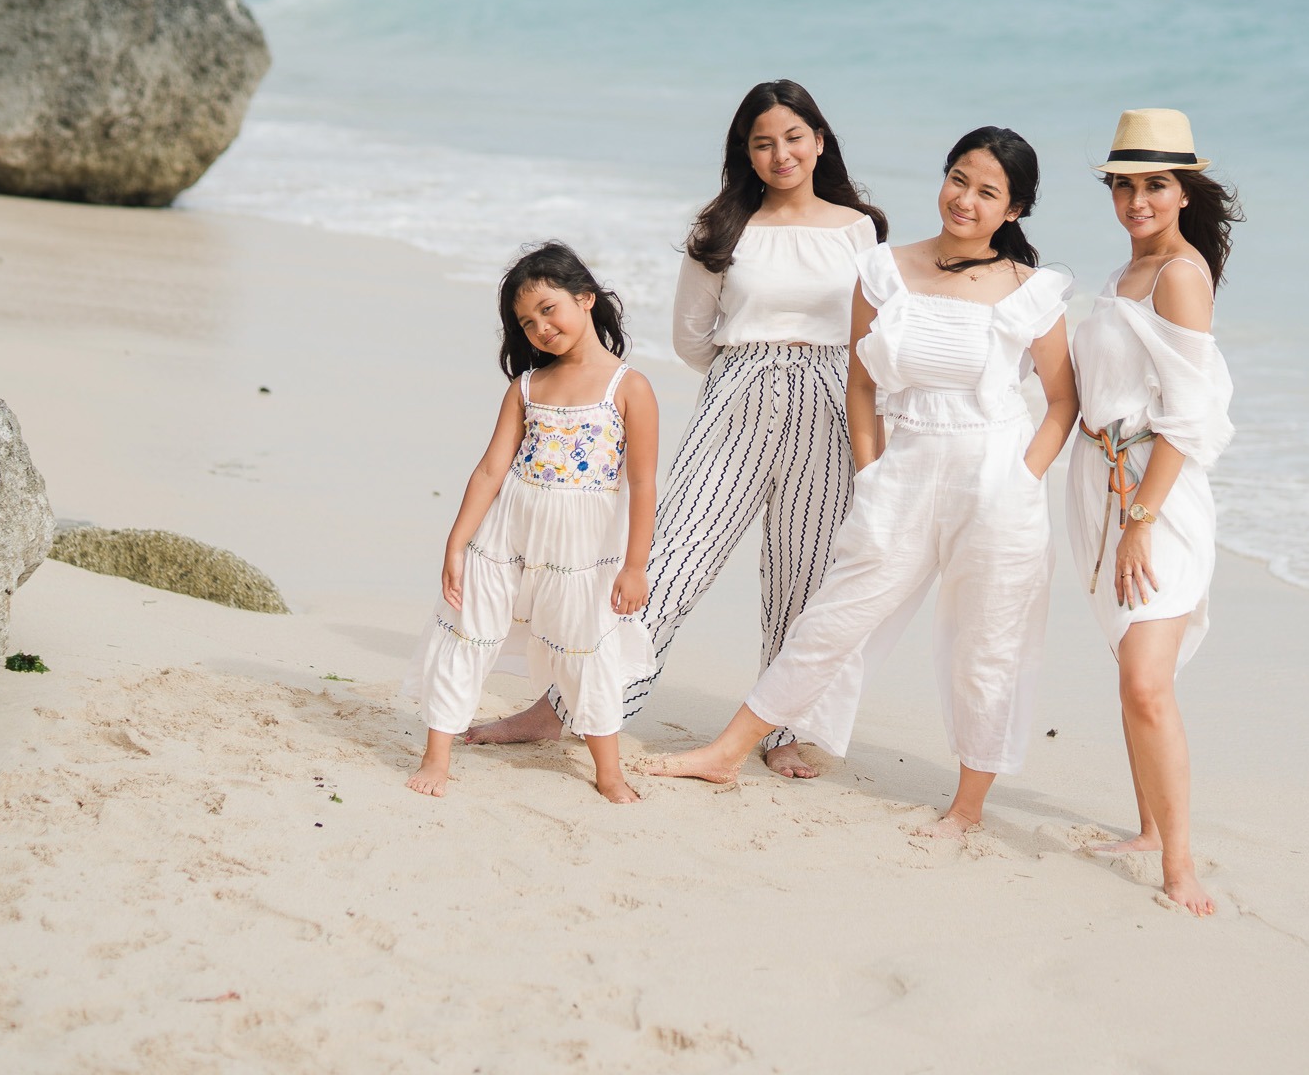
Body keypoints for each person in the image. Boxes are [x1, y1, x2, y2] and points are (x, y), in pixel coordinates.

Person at [645, 127, 1077, 838]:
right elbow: (861, 383)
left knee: (987, 644)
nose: (965, 199)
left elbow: (1062, 401)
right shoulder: (884, 269)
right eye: (958, 178)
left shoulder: (1033, 292)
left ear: (1015, 210)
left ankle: (967, 808)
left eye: (987, 192)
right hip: (904, 470)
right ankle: (727, 751)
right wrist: (872, 472)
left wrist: (1023, 480)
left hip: (997, 479)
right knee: (832, 617)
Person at [464, 80, 888, 780]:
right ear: (745, 153)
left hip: (830, 398)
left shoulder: (859, 229)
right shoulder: (722, 229)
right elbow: (693, 336)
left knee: (804, 573)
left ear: (819, 140)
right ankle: (565, 706)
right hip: (740, 392)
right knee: (669, 559)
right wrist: (750, 372)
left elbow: (870, 337)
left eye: (793, 137)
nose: (780, 153)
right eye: (762, 143)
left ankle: (782, 729)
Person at [404, 242, 659, 804]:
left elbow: (643, 484)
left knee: (584, 645)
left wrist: (635, 565)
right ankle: (436, 755)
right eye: (526, 322)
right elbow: (490, 469)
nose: (540, 328)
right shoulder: (526, 387)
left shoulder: (629, 388)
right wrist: (456, 543)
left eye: (548, 309)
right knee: (468, 629)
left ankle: (608, 771)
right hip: (503, 536)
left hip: (580, 548)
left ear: (585, 298)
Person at [1066, 108, 1239, 912]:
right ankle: (1145, 827)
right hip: (1105, 488)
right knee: (1131, 662)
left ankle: (1181, 865)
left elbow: (1187, 415)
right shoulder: (1123, 274)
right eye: (1124, 185)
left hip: (1154, 498)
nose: (1137, 201)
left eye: (1155, 185)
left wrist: (1140, 519)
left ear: (1184, 191)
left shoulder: (1179, 274)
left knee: (1145, 680)